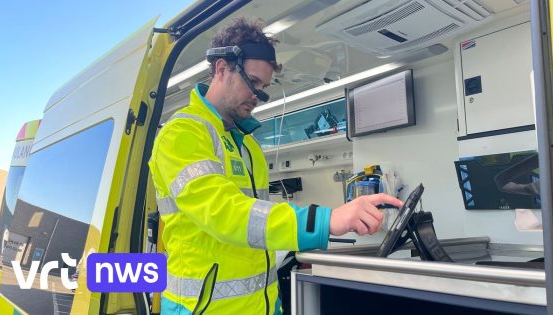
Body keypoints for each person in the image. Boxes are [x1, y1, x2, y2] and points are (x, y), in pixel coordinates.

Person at [148, 17, 403, 315]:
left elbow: (256, 231)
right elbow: (224, 213)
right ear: (221, 69)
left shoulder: (249, 146)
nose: (257, 96)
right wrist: (325, 220)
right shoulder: (182, 133)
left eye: (264, 87)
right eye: (253, 82)